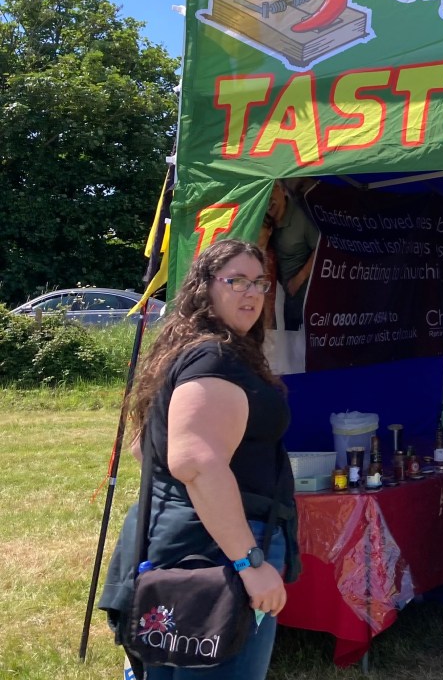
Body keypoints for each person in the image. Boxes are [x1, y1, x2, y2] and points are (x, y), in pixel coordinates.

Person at [99, 238, 300, 680]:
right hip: (216, 552)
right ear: (205, 287)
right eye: (236, 281)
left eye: (260, 283)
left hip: (186, 539)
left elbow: (144, 448)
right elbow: (195, 463)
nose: (251, 293)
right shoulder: (215, 359)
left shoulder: (192, 352)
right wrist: (250, 563)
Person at [267, 180, 319, 331]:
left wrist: (300, 277)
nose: (269, 199)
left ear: (283, 191)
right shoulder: (264, 221)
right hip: (287, 300)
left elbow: (320, 248)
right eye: (266, 194)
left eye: (274, 190)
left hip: (307, 299)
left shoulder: (300, 216)